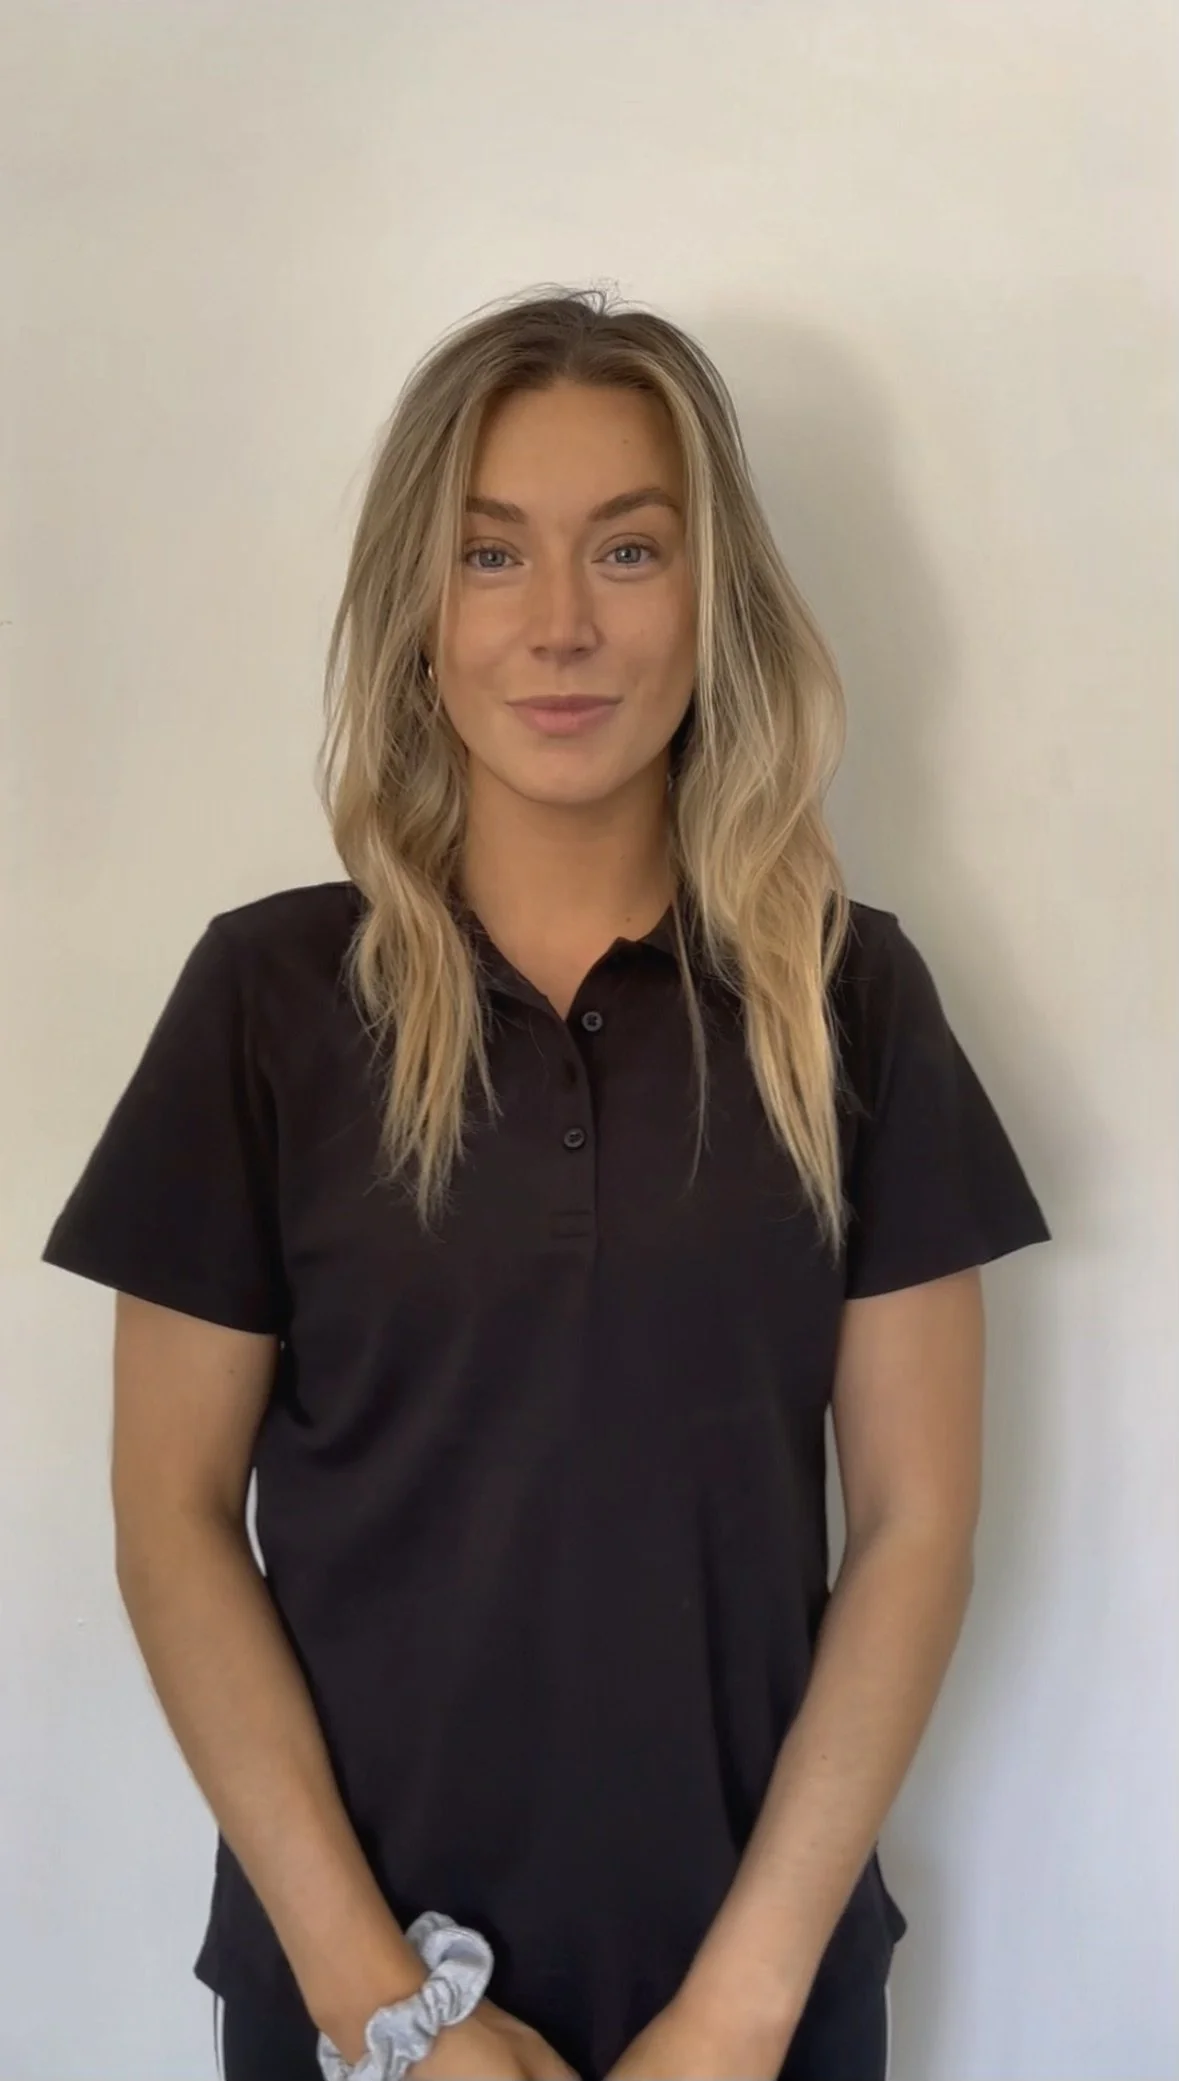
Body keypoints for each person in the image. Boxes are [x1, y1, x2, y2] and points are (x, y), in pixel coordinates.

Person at [42, 286, 1050, 2081]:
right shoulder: (266, 1001)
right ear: (417, 614)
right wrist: (381, 2004)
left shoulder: (851, 1000)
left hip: (761, 2009)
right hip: (353, 2009)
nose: (561, 625)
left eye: (629, 549)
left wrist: (738, 2015)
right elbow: (171, 1522)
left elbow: (914, 1527)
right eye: (489, 554)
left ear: (712, 597)